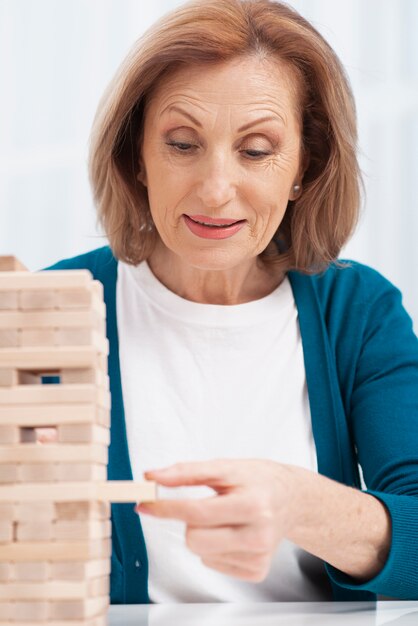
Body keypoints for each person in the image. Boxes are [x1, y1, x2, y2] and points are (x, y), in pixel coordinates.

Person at [48, 0, 418, 604]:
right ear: (136, 156)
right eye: (182, 143)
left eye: (255, 150)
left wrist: (300, 504)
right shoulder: (55, 309)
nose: (217, 191)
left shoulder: (358, 310)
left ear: (305, 166)